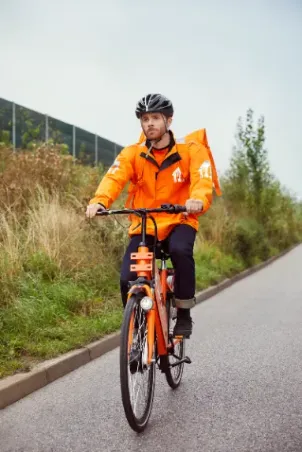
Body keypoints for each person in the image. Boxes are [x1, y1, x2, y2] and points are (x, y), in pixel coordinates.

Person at [86, 93, 214, 338]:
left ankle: (184, 313)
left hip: (180, 220)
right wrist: (99, 201)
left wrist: (196, 200)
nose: (150, 124)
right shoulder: (132, 153)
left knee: (180, 251)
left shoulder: (190, 150)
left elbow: (202, 178)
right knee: (128, 278)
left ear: (169, 120)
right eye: (145, 119)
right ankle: (138, 333)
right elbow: (114, 178)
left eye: (155, 118)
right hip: (145, 224)